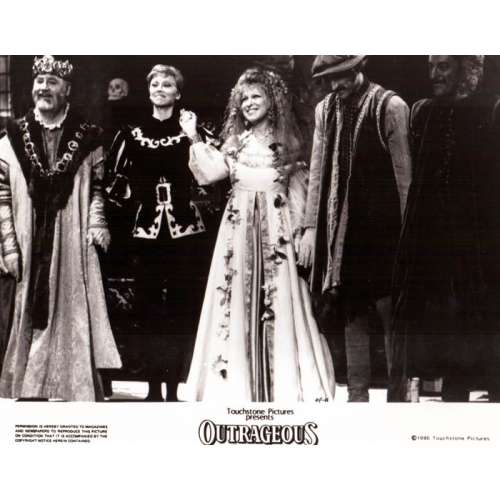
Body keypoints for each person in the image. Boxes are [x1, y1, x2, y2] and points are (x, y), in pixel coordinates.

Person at [177, 67, 335, 403]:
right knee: (232, 299)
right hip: (237, 236)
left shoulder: (288, 144)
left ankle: (281, 382)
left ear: (272, 101)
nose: (248, 103)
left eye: (256, 97)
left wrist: (302, 234)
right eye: (244, 98)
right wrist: (193, 136)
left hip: (278, 234)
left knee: (283, 301)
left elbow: (299, 194)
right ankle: (236, 383)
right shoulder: (235, 143)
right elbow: (211, 173)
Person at [0, 55, 121, 401]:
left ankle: (71, 384)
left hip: (72, 237)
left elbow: (98, 188)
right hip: (27, 236)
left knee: (73, 304)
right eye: (39, 81)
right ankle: (27, 386)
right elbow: (1, 194)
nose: (44, 88)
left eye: (52, 82)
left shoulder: (88, 137)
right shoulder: (12, 137)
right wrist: (8, 244)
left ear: (67, 90)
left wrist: (97, 222)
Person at [298, 55, 412, 402]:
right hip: (345, 236)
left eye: (342, 76)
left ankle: (398, 398)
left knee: (391, 313)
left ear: (358, 69)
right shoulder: (325, 110)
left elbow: (404, 177)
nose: (336, 85)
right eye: (329, 79)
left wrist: (409, 237)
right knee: (352, 312)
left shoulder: (390, 106)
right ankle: (357, 396)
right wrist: (310, 228)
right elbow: (317, 173)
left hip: (385, 230)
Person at [388, 56, 500, 402]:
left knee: (480, 332)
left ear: (465, 68)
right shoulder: (424, 113)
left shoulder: (490, 111)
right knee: (445, 339)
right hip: (435, 246)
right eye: (431, 66)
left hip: (479, 246)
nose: (434, 75)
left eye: (444, 67)